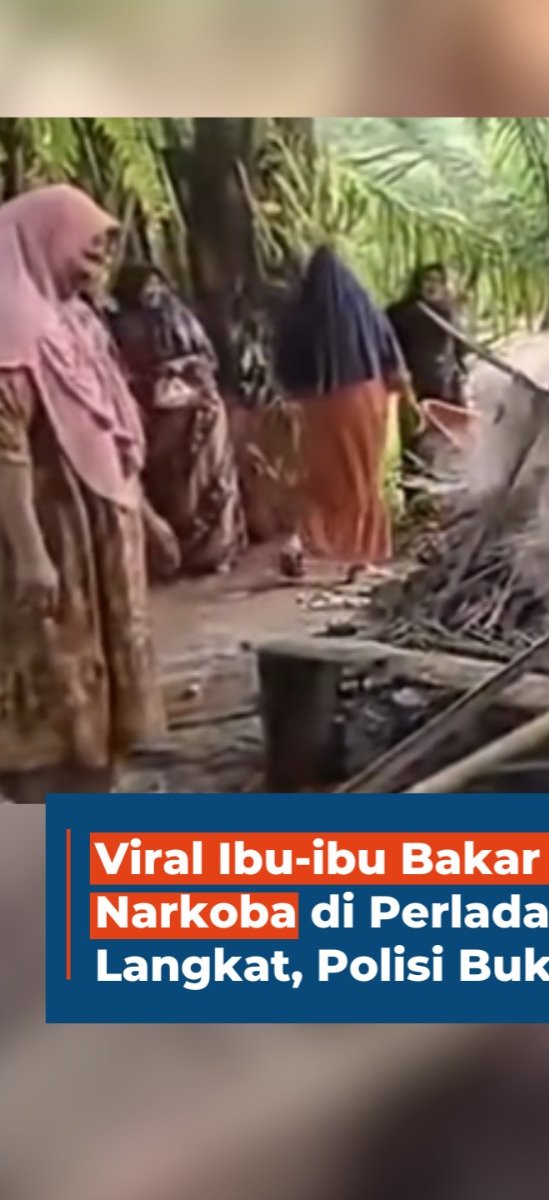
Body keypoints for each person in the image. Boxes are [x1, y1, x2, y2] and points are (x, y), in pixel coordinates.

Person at [0, 184, 167, 803]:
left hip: (100, 530)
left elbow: (108, 427)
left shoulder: (73, 320)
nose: (97, 266)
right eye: (88, 250)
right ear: (45, 239)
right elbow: (6, 451)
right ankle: (42, 814)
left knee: (102, 676)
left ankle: (94, 794)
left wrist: (143, 514)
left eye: (104, 254)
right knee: (56, 670)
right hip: (51, 531)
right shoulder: (10, 326)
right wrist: (31, 552)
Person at [272, 245, 416, 578]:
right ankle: (360, 556)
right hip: (363, 402)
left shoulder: (299, 314)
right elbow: (391, 357)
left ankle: (302, 543)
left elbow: (283, 367)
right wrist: (404, 396)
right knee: (362, 479)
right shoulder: (364, 308)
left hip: (315, 408)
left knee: (320, 481)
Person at [110, 263, 247, 577]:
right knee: (188, 487)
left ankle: (209, 552)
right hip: (175, 418)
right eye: (147, 289)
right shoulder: (130, 324)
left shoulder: (153, 321)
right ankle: (196, 554)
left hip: (190, 415)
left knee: (206, 483)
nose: (154, 296)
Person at [386, 263, 468, 408]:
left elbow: (459, 349)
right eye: (428, 280)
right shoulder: (402, 313)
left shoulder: (451, 312)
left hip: (447, 389)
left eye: (437, 281)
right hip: (415, 388)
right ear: (419, 284)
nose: (432, 285)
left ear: (444, 285)